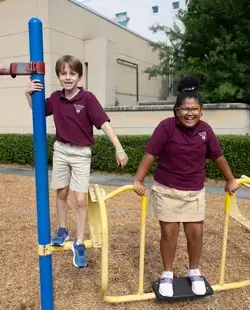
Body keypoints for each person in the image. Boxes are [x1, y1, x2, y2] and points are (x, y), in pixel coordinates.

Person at [133, 76, 238, 297]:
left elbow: (218, 156)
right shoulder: (166, 127)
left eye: (194, 109)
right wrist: (139, 179)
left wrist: (230, 179)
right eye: (185, 109)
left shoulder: (205, 131)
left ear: (201, 111)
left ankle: (194, 271)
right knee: (169, 234)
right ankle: (167, 274)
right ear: (176, 111)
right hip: (167, 190)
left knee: (196, 233)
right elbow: (150, 154)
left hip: (194, 191)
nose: (189, 113)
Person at [25, 55, 128, 268]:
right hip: (61, 150)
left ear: (79, 76)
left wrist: (118, 147)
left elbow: (104, 123)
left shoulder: (88, 99)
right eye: (63, 73)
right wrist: (28, 94)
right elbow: (38, 113)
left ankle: (79, 242)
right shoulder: (55, 98)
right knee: (61, 192)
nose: (68, 77)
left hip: (81, 154)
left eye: (72, 73)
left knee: (80, 199)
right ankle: (63, 228)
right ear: (59, 76)